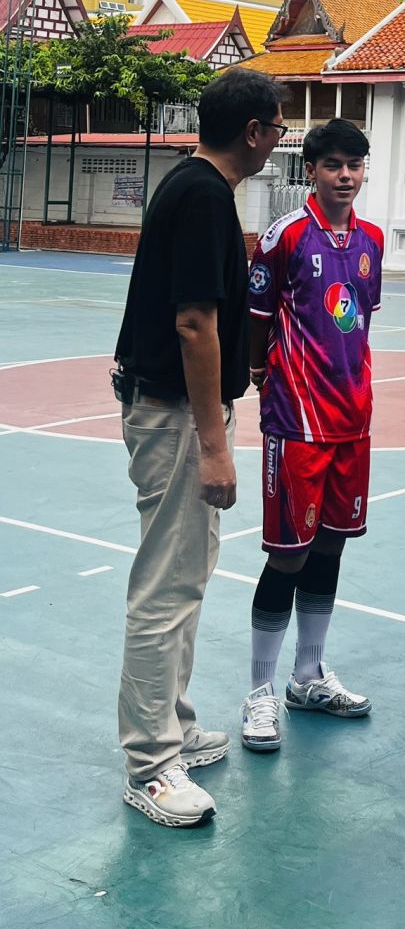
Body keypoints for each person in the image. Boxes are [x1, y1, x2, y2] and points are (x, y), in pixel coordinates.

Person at [115, 67, 288, 827]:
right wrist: (215, 446)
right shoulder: (206, 197)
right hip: (178, 414)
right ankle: (151, 763)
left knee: (187, 574)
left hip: (181, 410)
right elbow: (195, 323)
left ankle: (174, 725)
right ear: (252, 131)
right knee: (166, 584)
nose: (278, 139)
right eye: (276, 127)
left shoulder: (196, 187)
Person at [241, 119, 383, 752]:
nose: (345, 176)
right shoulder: (285, 237)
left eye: (355, 165)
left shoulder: (372, 240)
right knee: (288, 555)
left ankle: (308, 675)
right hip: (297, 421)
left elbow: (357, 321)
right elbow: (256, 317)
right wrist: (258, 373)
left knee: (330, 549)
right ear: (312, 170)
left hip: (353, 420)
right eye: (333, 165)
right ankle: (260, 691)